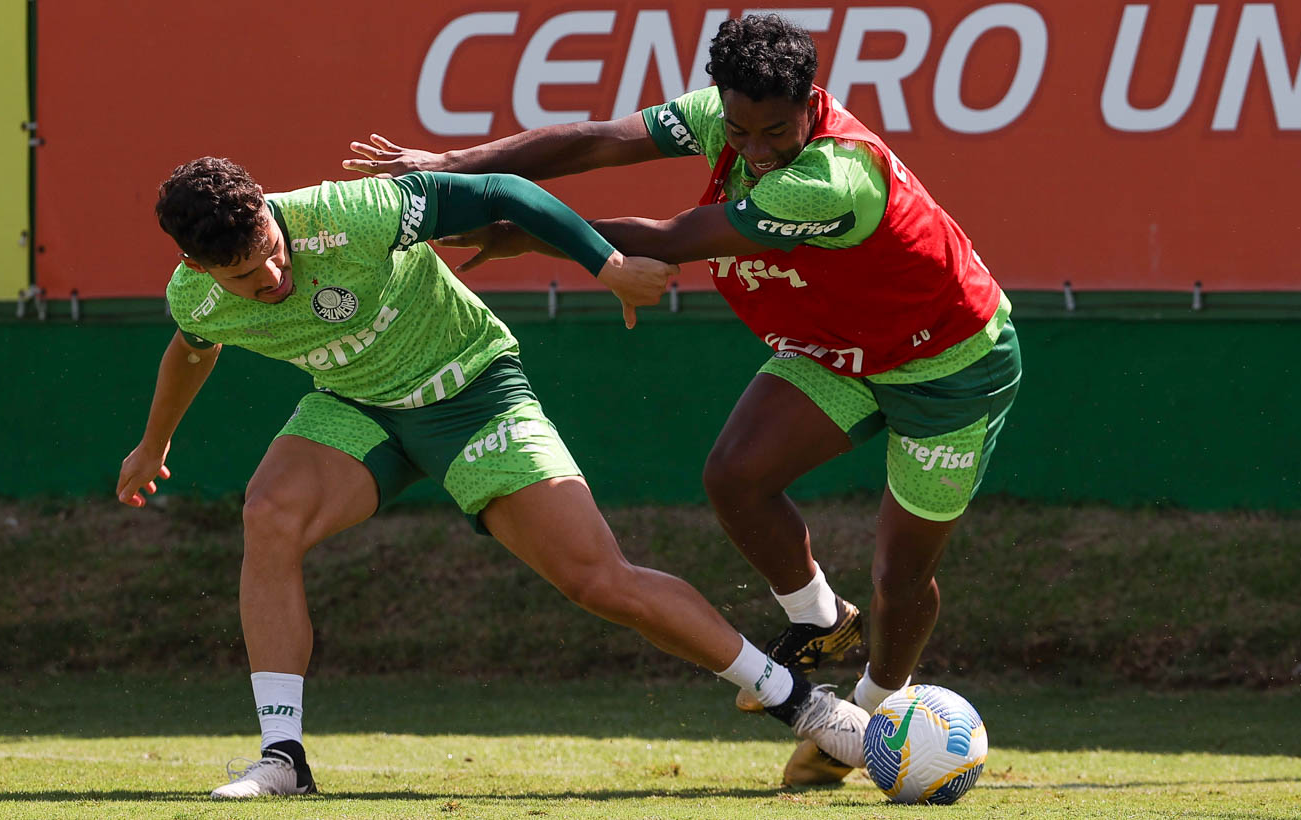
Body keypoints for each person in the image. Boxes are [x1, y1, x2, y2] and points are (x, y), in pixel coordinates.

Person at [343, 13, 1022, 785]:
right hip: (840, 351)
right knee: (735, 475)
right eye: (740, 131)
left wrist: (526, 230)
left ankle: (877, 712)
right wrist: (453, 164)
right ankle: (822, 623)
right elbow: (596, 141)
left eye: (775, 132)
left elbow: (673, 236)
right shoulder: (727, 118)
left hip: (949, 364)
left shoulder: (833, 180)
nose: (756, 151)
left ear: (811, 103)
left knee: (900, 575)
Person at [116, 156, 872, 799]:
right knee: (268, 515)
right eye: (247, 276)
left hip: (472, 391)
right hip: (357, 408)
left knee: (600, 582)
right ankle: (283, 760)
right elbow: (191, 350)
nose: (274, 275)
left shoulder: (352, 211)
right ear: (198, 267)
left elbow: (505, 191)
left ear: (273, 218)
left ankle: (803, 704)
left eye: (273, 250)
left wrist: (605, 265)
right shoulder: (198, 297)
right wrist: (154, 445)